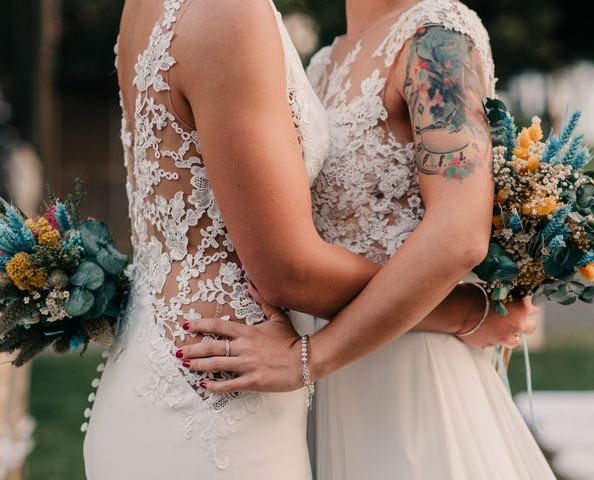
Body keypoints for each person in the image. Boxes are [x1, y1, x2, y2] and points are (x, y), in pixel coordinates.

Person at [85, 0, 540, 478]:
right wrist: (315, 358)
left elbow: (460, 233)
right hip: (317, 369)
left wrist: (312, 357)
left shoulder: (437, 40)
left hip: (404, 374)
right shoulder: (323, 60)